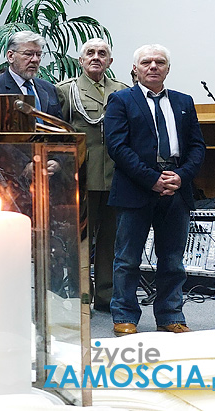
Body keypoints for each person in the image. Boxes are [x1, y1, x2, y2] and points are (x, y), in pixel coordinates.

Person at [104, 44, 205, 336]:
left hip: (176, 188)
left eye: (159, 62)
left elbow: (197, 146)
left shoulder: (184, 101)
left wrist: (181, 176)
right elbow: (117, 147)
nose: (153, 66)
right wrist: (152, 179)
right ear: (135, 69)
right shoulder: (121, 100)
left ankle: (170, 315)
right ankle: (124, 316)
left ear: (168, 69)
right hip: (136, 188)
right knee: (127, 259)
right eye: (146, 62)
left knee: (173, 259)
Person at [55, 38, 128, 311]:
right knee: (80, 242)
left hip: (115, 177)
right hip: (81, 176)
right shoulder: (66, 91)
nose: (96, 57)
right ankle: (80, 293)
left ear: (110, 61)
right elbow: (58, 133)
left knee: (110, 240)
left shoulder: (121, 90)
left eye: (102, 53)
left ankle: (106, 297)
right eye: (90, 53)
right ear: (81, 60)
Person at [0, 30, 63, 118]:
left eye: (38, 54)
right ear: (11, 56)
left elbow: (60, 127)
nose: (35, 60)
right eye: (28, 54)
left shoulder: (49, 88)